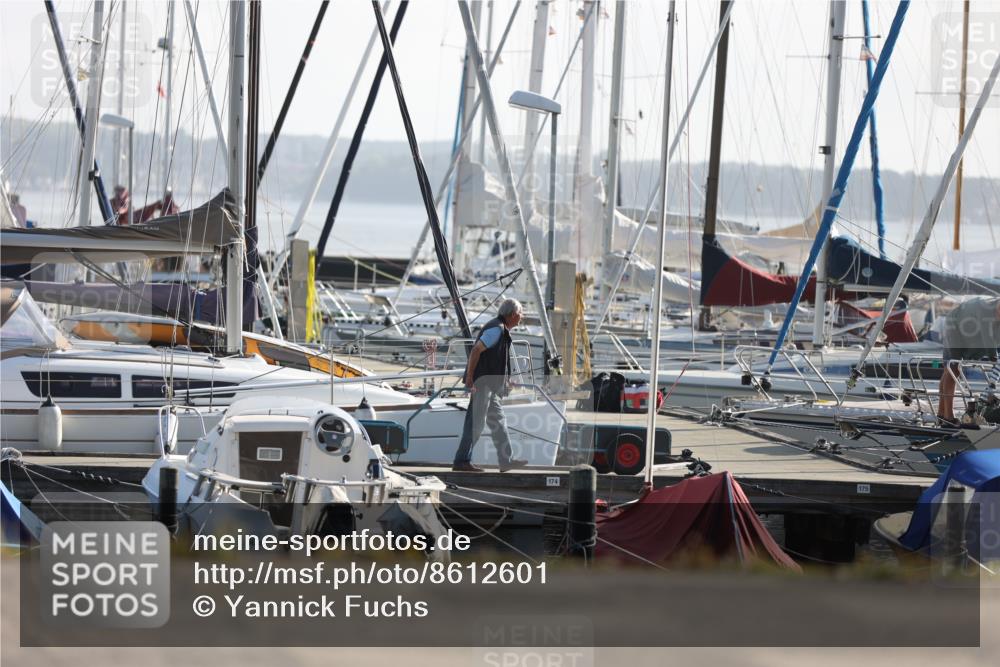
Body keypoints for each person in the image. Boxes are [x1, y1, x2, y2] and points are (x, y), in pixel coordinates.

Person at [452, 298, 529, 473]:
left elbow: (495, 361)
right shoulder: (496, 329)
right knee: (476, 423)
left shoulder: (501, 329)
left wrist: (505, 381)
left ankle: (506, 461)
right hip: (483, 384)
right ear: (512, 314)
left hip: (490, 386)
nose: (522, 317)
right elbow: (476, 350)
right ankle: (461, 461)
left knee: (498, 422)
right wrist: (470, 377)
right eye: (520, 313)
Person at [937, 297, 1000, 424]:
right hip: (954, 325)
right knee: (953, 368)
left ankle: (941, 414)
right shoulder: (985, 309)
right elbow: (988, 339)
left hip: (967, 332)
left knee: (950, 370)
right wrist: (995, 360)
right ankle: (948, 416)